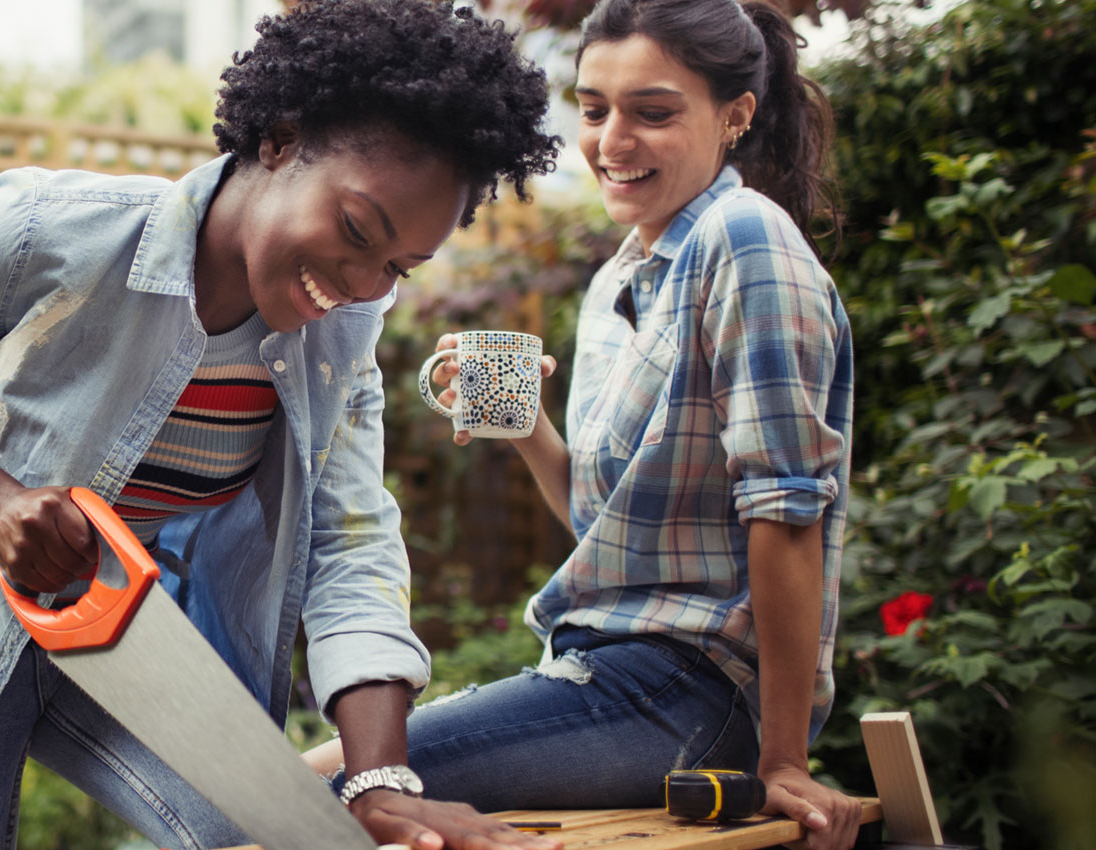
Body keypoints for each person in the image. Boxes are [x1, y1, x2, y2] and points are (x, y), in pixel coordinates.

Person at [0, 1, 561, 848]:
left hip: (130, 645)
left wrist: (378, 779)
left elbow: (349, 543)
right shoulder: (47, 234)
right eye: (355, 230)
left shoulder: (340, 338)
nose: (357, 283)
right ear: (279, 138)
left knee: (284, 839)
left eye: (395, 267)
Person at [304, 0, 863, 848]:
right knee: (293, 775)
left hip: (689, 692)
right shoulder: (620, 276)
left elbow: (786, 508)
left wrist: (780, 759)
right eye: (595, 109)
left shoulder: (745, 240)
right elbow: (605, 530)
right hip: (597, 672)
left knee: (321, 789)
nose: (611, 141)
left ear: (734, 116)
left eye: (653, 112)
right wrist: (526, 424)